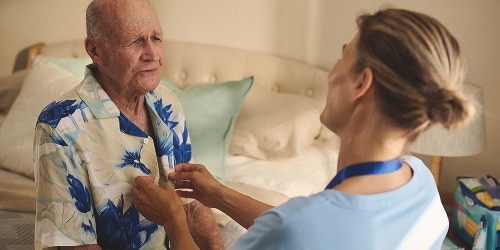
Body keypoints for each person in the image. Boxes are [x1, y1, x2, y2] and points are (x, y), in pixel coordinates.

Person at [132, 8, 474, 249]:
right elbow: (302, 229)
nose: (331, 72)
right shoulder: (423, 185)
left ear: (362, 84)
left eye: (343, 57)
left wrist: (174, 220)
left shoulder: (303, 227)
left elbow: (300, 230)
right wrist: (220, 194)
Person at [33, 0, 222, 249]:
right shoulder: (59, 127)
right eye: (135, 41)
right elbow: (74, 246)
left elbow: (192, 206)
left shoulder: (167, 102)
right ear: (96, 50)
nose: (153, 55)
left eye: (156, 37)